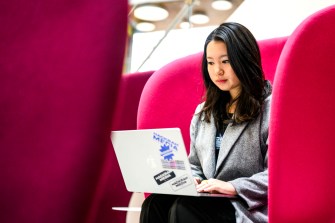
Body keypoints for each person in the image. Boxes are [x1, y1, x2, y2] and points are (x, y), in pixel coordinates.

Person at [140, 22, 271, 223]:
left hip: (244, 207)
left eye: (225, 61)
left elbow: (278, 175)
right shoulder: (203, 112)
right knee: (154, 204)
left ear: (244, 59)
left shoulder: (271, 108)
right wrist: (191, 179)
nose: (217, 70)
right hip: (208, 201)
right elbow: (195, 164)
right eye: (210, 63)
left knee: (184, 209)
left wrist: (234, 186)